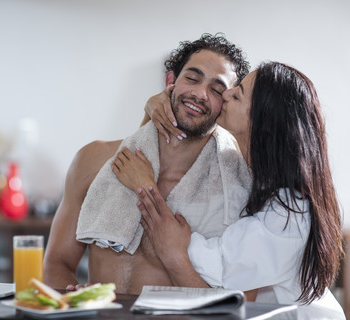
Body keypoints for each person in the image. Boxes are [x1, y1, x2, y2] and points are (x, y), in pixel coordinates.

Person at [112, 61, 345, 318]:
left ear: (262, 120)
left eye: (237, 93)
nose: (225, 95)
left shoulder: (290, 213)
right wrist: (149, 111)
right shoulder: (252, 176)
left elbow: (216, 269)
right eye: (191, 79)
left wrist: (145, 187)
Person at [43, 33, 253, 295]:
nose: (200, 93)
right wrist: (76, 302)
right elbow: (57, 262)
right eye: (192, 78)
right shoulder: (92, 160)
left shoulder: (237, 185)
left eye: (217, 89)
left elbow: (242, 297)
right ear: (170, 81)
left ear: (226, 104)